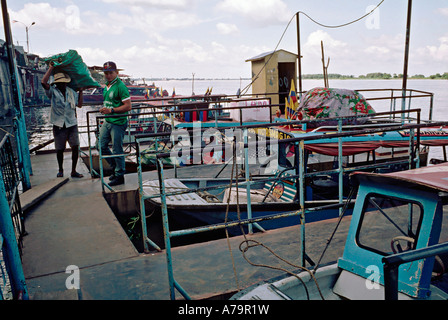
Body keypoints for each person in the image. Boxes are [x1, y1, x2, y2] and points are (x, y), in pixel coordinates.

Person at [41, 63, 84, 178]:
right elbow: (43, 82)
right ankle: (60, 170)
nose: (62, 84)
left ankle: (73, 171)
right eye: (60, 82)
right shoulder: (53, 92)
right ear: (57, 83)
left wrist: (81, 91)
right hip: (59, 124)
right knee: (60, 149)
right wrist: (51, 68)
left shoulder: (71, 92)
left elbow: (79, 105)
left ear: (66, 82)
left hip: (71, 123)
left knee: (75, 147)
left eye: (64, 82)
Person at [98, 61, 131, 186]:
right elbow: (110, 103)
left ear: (116, 73)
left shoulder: (120, 87)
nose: (108, 75)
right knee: (100, 146)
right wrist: (106, 109)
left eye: (111, 73)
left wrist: (111, 110)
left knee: (117, 149)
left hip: (118, 122)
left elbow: (128, 106)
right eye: (106, 73)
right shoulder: (107, 86)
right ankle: (115, 168)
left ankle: (120, 175)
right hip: (108, 121)